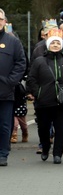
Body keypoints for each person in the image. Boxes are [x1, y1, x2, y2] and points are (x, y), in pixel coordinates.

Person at [26, 34, 63, 164]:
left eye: (58, 43)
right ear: (48, 45)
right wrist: (37, 92)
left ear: (61, 46)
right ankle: (45, 148)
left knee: (61, 128)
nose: (55, 45)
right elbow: (31, 79)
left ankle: (58, 154)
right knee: (43, 128)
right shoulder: (39, 61)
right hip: (43, 101)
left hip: (62, 102)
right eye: (53, 43)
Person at [0, 9, 27, 165]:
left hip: (5, 91)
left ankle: (3, 153)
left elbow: (21, 63)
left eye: (0, 19)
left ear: (4, 21)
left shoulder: (13, 41)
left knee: (5, 125)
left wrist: (11, 81)